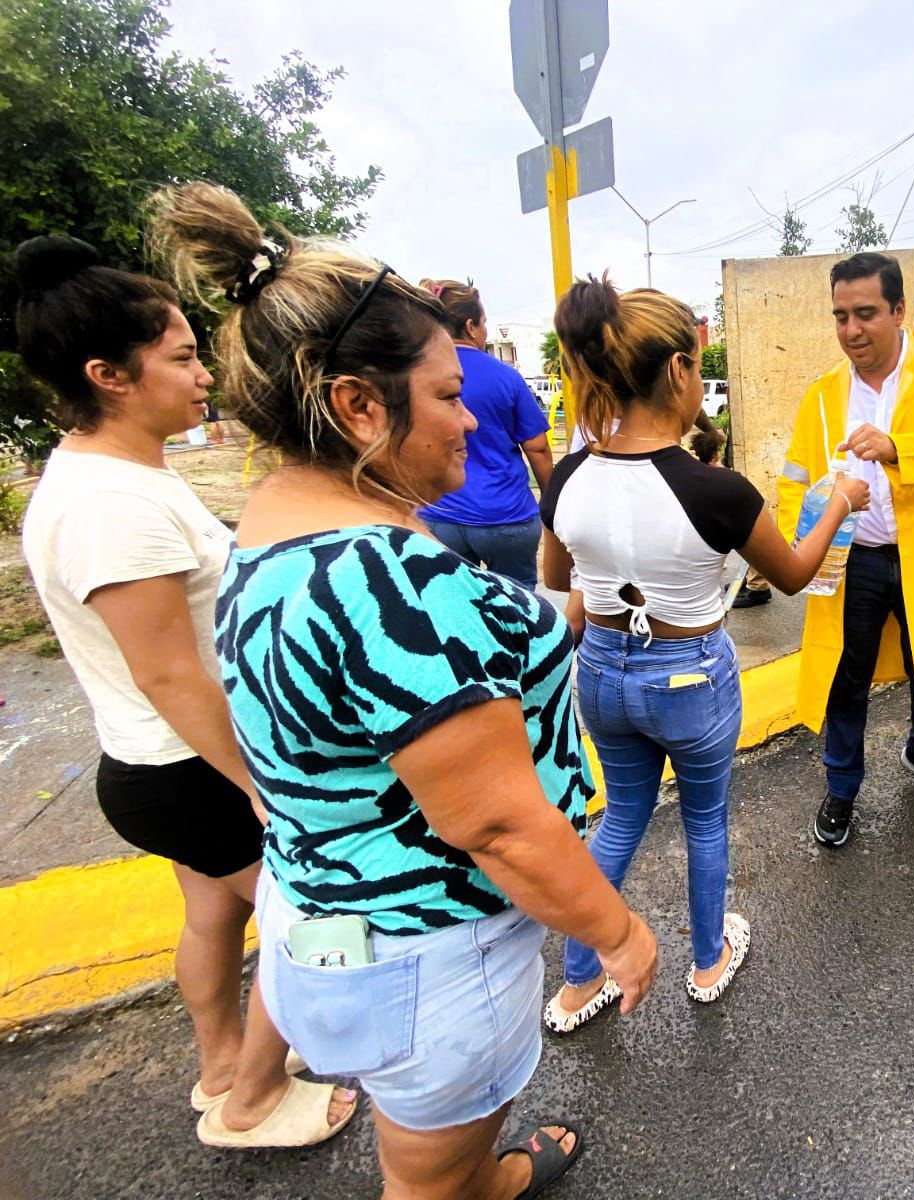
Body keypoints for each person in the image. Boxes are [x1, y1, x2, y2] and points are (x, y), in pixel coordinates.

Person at [145, 182, 659, 1198]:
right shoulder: (392, 582)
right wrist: (619, 933)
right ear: (357, 405)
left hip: (330, 917)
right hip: (433, 954)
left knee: (436, 1146)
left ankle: (492, 1176)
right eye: (446, 394)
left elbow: (384, 686)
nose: (471, 420)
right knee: (422, 1178)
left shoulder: (277, 527)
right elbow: (502, 826)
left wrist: (535, 625)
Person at [14, 235, 355, 1148]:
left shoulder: (118, 477)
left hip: (162, 768)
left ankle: (220, 1068)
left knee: (213, 915)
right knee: (312, 919)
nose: (203, 373)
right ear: (110, 375)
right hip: (191, 768)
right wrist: (265, 786)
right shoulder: (107, 505)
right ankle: (249, 1103)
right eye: (181, 356)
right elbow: (171, 673)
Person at [540, 275, 868, 1029]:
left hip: (602, 674)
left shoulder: (569, 476)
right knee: (703, 821)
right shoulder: (716, 489)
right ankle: (710, 960)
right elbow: (791, 572)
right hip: (689, 679)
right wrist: (843, 502)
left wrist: (618, 585)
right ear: (681, 371)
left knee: (619, 818)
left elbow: (559, 580)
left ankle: (577, 983)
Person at [775, 252, 914, 849]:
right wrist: (807, 540)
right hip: (852, 562)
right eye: (840, 316)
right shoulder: (822, 394)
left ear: (899, 311)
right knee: (847, 674)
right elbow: (793, 479)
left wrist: (896, 447)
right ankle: (841, 788)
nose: (851, 330)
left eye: (865, 314)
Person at [416, 279, 553, 587]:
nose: (486, 330)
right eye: (484, 323)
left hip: (438, 514)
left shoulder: (417, 372)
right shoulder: (505, 376)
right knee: (518, 604)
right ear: (470, 325)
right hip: (503, 516)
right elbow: (538, 448)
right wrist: (549, 498)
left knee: (453, 603)